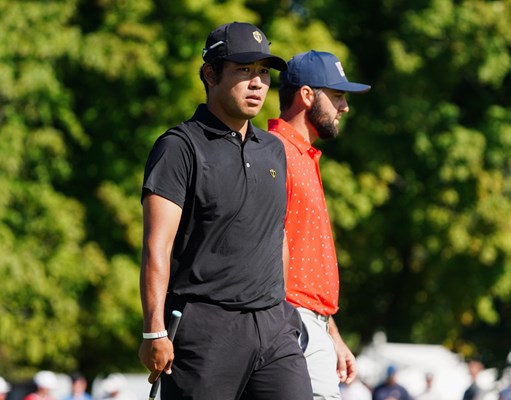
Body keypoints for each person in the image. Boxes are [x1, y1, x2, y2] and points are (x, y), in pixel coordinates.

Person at [137, 21, 312, 400]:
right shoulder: (178, 147)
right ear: (210, 74)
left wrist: (285, 311)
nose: (258, 83)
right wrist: (154, 331)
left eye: (264, 73)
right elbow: (157, 246)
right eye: (244, 71)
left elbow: (276, 235)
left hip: (274, 327)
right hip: (205, 330)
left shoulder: (274, 150)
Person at [268, 49, 370, 400]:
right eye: (338, 96)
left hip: (312, 323)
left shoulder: (304, 156)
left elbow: (304, 268)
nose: (345, 107)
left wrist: (333, 334)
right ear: (307, 95)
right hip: (289, 321)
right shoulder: (274, 152)